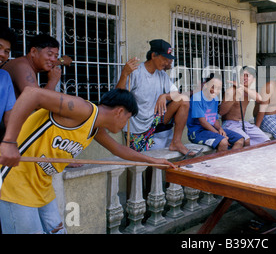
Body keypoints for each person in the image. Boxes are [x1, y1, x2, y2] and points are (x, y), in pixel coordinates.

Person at [0, 87, 175, 234]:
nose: (125, 125)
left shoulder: (94, 128)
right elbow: (32, 93)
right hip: (15, 184)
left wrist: (153, 160)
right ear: (120, 111)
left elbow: (119, 149)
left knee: (59, 231)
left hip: (42, 188)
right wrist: (9, 142)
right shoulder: (82, 109)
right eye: (127, 119)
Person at [116, 39, 191, 156]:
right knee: (139, 164)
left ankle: (176, 142)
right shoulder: (136, 72)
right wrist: (124, 74)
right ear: (153, 55)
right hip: (137, 126)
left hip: (155, 120)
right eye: (164, 58)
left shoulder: (162, 75)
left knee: (184, 100)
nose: (167, 62)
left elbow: (177, 94)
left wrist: (165, 96)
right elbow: (118, 96)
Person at [2, 34, 72, 98]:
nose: (53, 59)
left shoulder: (27, 63)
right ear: (33, 52)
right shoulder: (22, 67)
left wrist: (62, 61)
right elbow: (37, 102)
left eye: (56, 56)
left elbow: (52, 62)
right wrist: (53, 81)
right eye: (49, 54)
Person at [187, 75, 244, 151]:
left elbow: (214, 119)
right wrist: (218, 133)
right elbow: (203, 122)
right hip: (197, 132)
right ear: (206, 85)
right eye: (212, 87)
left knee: (240, 140)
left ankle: (229, 160)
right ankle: (221, 162)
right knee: (223, 141)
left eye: (218, 88)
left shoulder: (215, 98)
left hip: (211, 130)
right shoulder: (197, 97)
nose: (214, 90)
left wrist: (220, 129)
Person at [220, 66, 270, 146]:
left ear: (253, 79)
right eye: (243, 75)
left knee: (265, 140)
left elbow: (260, 99)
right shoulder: (231, 90)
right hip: (230, 123)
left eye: (248, 76)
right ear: (239, 76)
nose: (245, 78)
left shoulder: (249, 92)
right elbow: (221, 112)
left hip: (243, 123)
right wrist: (235, 97)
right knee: (246, 140)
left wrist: (242, 87)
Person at [0, 27, 17, 141]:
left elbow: (9, 117)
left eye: (6, 51)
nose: (2, 54)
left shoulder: (4, 77)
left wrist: (11, 143)